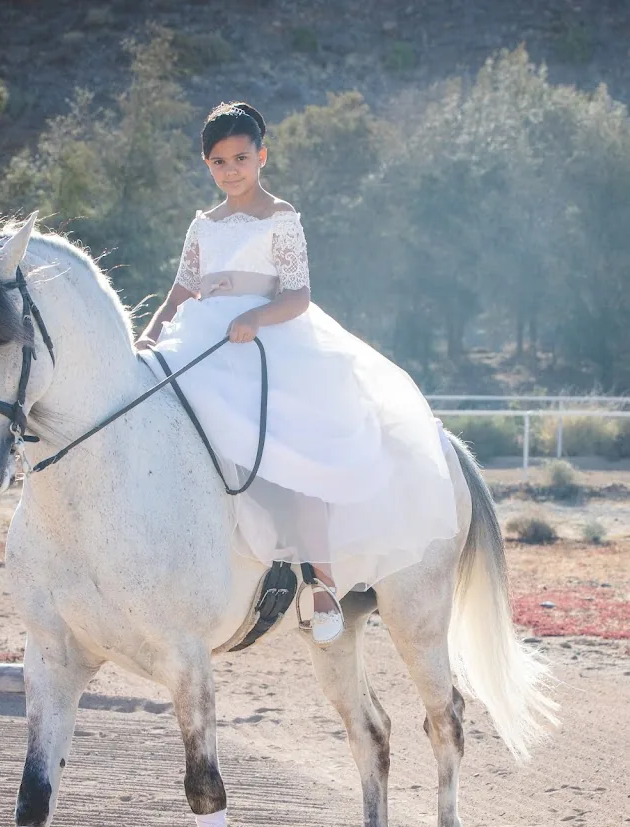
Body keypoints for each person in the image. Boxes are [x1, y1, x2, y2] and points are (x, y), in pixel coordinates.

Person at [136, 101, 459, 647]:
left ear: (261, 155)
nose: (230, 169)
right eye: (218, 161)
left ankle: (320, 581)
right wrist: (151, 331)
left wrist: (255, 318)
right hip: (201, 340)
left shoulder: (280, 217)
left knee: (295, 452)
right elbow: (181, 290)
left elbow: (298, 295)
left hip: (263, 339)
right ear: (207, 166)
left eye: (240, 157)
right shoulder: (202, 225)